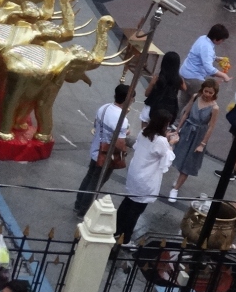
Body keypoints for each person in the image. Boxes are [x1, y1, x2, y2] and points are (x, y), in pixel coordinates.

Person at [116, 110, 178, 242]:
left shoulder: (144, 132)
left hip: (135, 173)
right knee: (135, 211)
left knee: (127, 202)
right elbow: (167, 158)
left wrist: (166, 139)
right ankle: (125, 239)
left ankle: (116, 230)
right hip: (146, 179)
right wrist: (171, 143)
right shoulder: (161, 141)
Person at [73, 83, 131, 216]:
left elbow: (96, 125)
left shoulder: (104, 107)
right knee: (96, 183)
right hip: (106, 154)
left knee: (89, 177)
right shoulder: (122, 119)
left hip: (96, 148)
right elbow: (120, 142)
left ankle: (78, 203)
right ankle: (84, 210)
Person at [167, 78, 220, 202]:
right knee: (179, 157)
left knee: (189, 164)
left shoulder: (214, 108)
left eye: (210, 93)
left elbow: (211, 127)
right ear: (202, 89)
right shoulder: (196, 97)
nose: (207, 94)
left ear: (214, 93)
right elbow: (186, 113)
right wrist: (178, 129)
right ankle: (178, 179)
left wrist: (202, 143)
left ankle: (175, 189)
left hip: (199, 135)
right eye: (206, 91)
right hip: (187, 130)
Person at [180, 24, 232, 98]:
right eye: (222, 40)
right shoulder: (208, 48)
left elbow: (202, 54)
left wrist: (216, 58)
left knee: (184, 100)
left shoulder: (202, 38)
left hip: (184, 73)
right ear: (216, 39)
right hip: (194, 78)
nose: (222, 42)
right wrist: (224, 75)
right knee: (200, 101)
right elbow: (209, 68)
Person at [142, 50, 184, 126]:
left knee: (145, 129)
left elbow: (147, 93)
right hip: (167, 110)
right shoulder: (178, 80)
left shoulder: (158, 78)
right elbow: (184, 88)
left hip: (152, 106)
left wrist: (152, 84)